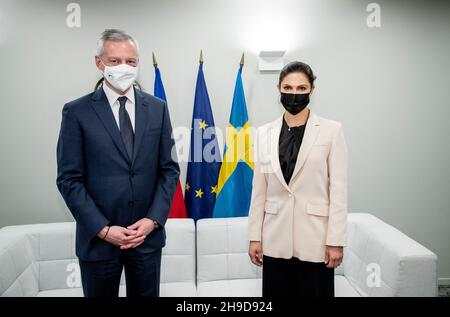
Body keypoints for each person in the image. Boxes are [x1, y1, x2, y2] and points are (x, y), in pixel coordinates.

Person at [56, 29, 179, 297]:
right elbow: (69, 179)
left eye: (131, 61)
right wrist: (103, 229)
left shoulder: (157, 108)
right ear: (99, 63)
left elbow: (169, 170)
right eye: (114, 61)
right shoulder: (77, 112)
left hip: (146, 239)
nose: (123, 67)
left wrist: (152, 221)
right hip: (99, 243)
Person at [248, 61, 348, 297]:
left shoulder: (332, 131)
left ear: (312, 89)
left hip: (316, 241)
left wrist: (336, 241)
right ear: (279, 88)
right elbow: (258, 191)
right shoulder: (264, 133)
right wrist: (254, 237)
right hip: (274, 241)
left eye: (301, 88)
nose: (294, 94)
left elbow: (339, 191)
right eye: (289, 88)